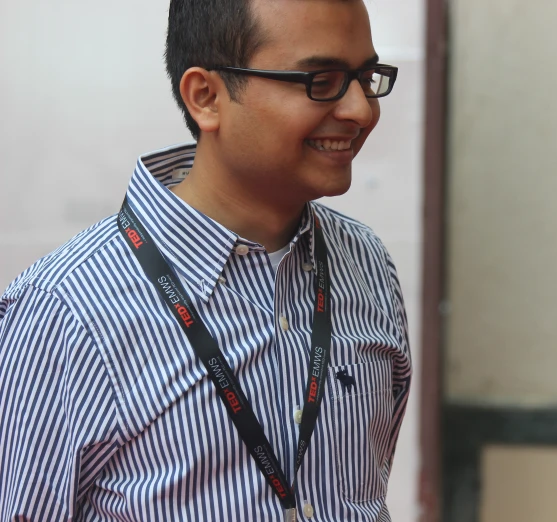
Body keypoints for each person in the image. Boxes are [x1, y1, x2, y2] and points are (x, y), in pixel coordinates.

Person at [0, 0, 411, 520]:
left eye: (365, 77)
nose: (361, 110)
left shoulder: (366, 263)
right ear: (206, 96)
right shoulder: (66, 313)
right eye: (322, 80)